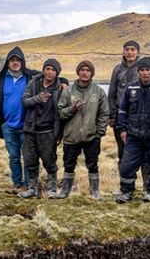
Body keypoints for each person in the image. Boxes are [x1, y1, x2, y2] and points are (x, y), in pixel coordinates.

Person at [0, 46, 67, 193]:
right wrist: (1, 122)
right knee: (13, 157)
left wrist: (64, 81)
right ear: (8, 63)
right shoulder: (1, 79)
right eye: (12, 60)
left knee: (28, 157)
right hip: (8, 125)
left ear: (23, 62)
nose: (15, 63)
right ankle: (17, 183)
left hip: (26, 125)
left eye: (18, 60)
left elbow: (50, 75)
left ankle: (28, 185)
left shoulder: (29, 76)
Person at [57, 60, 110, 199]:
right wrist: (72, 109)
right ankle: (65, 191)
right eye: (82, 70)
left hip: (91, 136)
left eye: (88, 70)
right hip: (71, 135)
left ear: (92, 73)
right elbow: (60, 112)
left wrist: (99, 132)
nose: (85, 72)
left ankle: (95, 192)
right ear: (78, 72)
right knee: (69, 164)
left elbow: (104, 113)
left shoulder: (98, 91)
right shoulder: (68, 91)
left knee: (92, 164)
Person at [115, 57, 150, 203]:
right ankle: (126, 192)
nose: (145, 73)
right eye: (142, 70)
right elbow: (122, 110)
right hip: (133, 135)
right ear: (138, 72)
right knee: (127, 165)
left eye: (148, 70)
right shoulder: (130, 88)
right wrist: (122, 129)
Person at [19, 59, 66, 199]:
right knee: (30, 160)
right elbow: (25, 101)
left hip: (49, 132)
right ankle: (32, 188)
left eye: (53, 69)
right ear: (43, 70)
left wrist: (59, 134)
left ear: (57, 72)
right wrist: (38, 98)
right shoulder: (33, 83)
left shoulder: (60, 88)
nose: (49, 72)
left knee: (50, 161)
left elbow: (63, 112)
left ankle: (51, 189)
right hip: (30, 130)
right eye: (47, 69)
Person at [108, 40, 140, 166]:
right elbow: (111, 93)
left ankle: (144, 183)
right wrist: (111, 115)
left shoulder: (142, 68)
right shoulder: (118, 69)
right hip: (120, 116)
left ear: (138, 52)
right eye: (127, 49)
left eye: (133, 49)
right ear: (123, 51)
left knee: (140, 152)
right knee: (122, 151)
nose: (130, 52)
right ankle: (124, 182)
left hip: (138, 116)